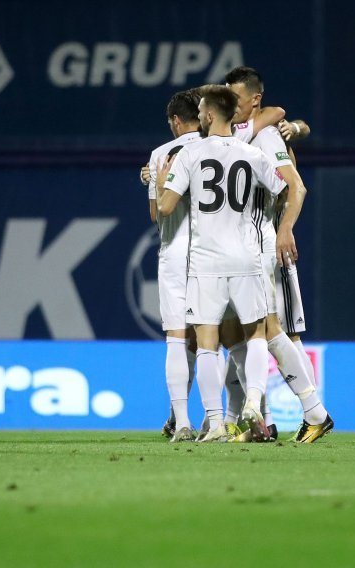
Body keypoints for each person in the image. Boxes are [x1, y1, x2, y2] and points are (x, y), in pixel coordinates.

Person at [156, 84, 307, 443]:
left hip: (205, 259)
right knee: (256, 334)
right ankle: (253, 406)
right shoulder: (250, 153)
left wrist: (163, 183)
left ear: (208, 116)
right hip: (246, 256)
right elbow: (285, 188)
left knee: (207, 341)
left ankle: (216, 424)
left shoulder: (189, 156)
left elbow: (164, 207)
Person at [222, 66, 332, 444]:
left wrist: (284, 230)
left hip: (264, 242)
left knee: (273, 332)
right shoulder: (238, 131)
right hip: (239, 245)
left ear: (254, 99)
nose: (228, 105)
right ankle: (263, 421)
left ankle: (312, 412)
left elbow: (296, 187)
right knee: (243, 333)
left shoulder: (267, 136)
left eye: (235, 98)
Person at [143, 89, 202, 443]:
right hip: (213, 254)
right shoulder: (218, 148)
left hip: (175, 252)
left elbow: (156, 214)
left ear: (176, 121)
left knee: (177, 337)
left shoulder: (160, 155)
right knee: (213, 340)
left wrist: (157, 181)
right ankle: (222, 417)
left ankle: (181, 422)